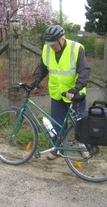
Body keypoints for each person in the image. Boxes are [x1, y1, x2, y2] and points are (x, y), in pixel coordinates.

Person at [30, 25, 90, 160]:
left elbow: (85, 71)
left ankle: (83, 146)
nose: (51, 47)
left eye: (53, 44)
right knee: (57, 123)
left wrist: (76, 89)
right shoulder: (47, 49)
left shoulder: (76, 48)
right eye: (49, 44)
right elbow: (43, 67)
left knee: (79, 122)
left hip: (74, 94)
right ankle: (58, 148)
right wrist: (37, 81)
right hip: (57, 93)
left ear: (62, 40)